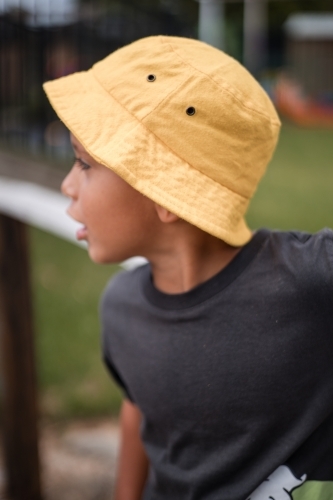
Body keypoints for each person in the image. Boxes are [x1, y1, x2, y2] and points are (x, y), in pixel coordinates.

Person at [43, 36, 333, 500]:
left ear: (166, 193)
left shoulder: (309, 282)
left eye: (83, 164)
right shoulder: (122, 309)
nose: (66, 185)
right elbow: (140, 406)